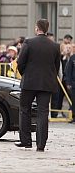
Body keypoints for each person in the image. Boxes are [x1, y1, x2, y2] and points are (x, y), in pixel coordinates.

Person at [15, 19, 61, 151]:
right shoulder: (55, 46)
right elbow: (56, 67)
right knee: (43, 112)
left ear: (37, 29)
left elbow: (21, 63)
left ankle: (26, 140)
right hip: (46, 83)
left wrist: (25, 73)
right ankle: (41, 145)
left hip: (29, 81)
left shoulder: (29, 42)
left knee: (25, 109)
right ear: (47, 29)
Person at [65, 49, 75, 123]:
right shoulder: (72, 58)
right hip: (73, 83)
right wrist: (68, 82)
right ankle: (74, 117)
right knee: (73, 101)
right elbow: (69, 71)